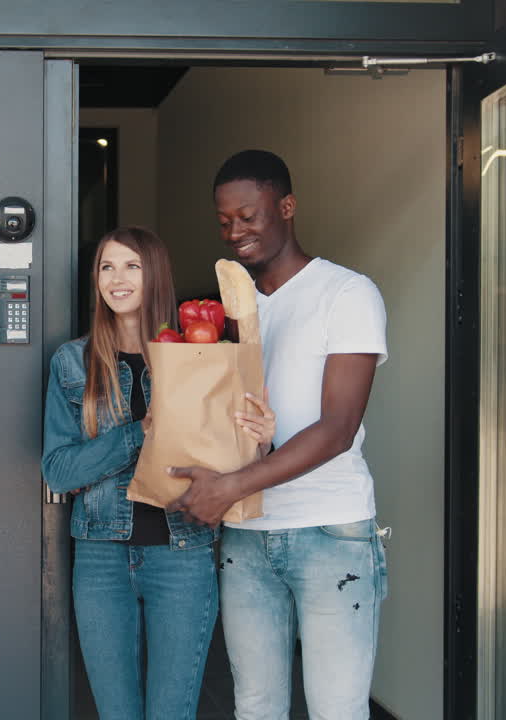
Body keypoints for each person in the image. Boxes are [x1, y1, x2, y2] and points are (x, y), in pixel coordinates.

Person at [166, 149, 389, 719]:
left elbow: (337, 429)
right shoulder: (229, 313)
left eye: (249, 216)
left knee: (337, 708)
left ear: (286, 207)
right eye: (224, 221)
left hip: (328, 531)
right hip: (248, 532)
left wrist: (230, 486)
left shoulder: (347, 293)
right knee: (257, 706)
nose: (234, 232)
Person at [41, 226, 275, 720]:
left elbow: (234, 455)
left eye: (132, 266)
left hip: (182, 554)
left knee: (173, 711)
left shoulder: (203, 354)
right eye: (106, 267)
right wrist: (140, 432)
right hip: (101, 558)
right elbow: (60, 471)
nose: (116, 278)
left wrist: (263, 436)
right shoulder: (73, 362)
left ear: (157, 276)